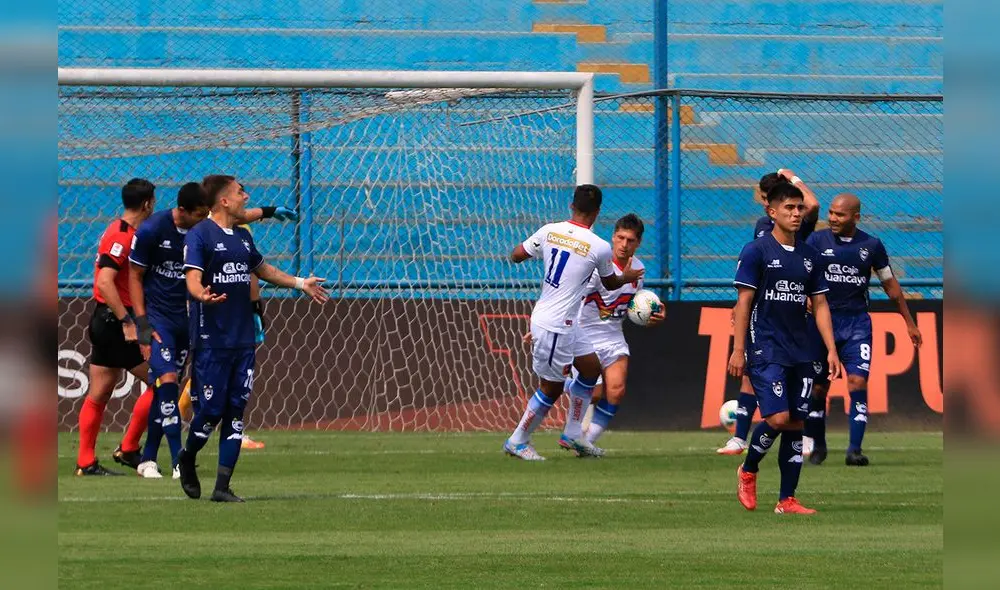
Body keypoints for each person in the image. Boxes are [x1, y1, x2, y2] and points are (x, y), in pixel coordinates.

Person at [177, 175, 327, 502]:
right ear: (224, 202)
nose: (246, 196)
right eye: (240, 192)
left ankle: (222, 487)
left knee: (236, 411)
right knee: (211, 410)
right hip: (211, 340)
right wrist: (199, 294)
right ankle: (187, 457)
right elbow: (192, 278)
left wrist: (302, 283)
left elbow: (264, 271)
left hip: (243, 338)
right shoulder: (200, 235)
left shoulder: (243, 239)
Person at [503, 185, 643, 461]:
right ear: (598, 212)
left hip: (562, 320)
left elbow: (517, 254)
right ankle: (518, 440)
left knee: (590, 369)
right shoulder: (599, 247)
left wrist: (528, 254)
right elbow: (611, 282)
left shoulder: (548, 230)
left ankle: (573, 433)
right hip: (556, 324)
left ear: (571, 206)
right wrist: (627, 278)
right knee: (551, 388)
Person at [729, 182, 842, 514]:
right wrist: (739, 350)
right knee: (778, 417)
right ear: (771, 211)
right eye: (789, 208)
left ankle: (786, 500)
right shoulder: (756, 251)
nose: (796, 213)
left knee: (795, 421)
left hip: (802, 349)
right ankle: (749, 469)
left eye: (799, 208)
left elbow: (820, 304)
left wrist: (831, 349)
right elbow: (743, 303)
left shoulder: (811, 256)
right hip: (766, 347)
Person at [803, 194, 923, 466]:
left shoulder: (871, 246)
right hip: (821, 324)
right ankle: (818, 445)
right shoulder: (815, 241)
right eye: (831, 213)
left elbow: (890, 285)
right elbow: (799, 273)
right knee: (818, 389)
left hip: (856, 323)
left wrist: (909, 322)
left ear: (856, 217)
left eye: (840, 215)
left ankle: (854, 450)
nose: (833, 218)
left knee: (857, 381)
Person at [718, 169, 821, 455]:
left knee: (789, 410)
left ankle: (789, 445)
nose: (794, 212)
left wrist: (794, 177)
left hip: (794, 324)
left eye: (793, 205)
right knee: (755, 376)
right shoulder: (762, 230)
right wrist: (740, 304)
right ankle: (740, 438)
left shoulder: (800, 229)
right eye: (767, 200)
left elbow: (812, 205)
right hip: (764, 322)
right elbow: (753, 279)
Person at [559, 214, 664, 453]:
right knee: (594, 395)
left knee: (616, 390)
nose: (624, 244)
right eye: (620, 238)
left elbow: (633, 307)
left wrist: (653, 316)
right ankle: (565, 383)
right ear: (613, 236)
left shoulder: (639, 269)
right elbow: (574, 297)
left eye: (630, 240)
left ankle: (586, 441)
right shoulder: (596, 267)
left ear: (638, 243)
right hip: (585, 336)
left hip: (613, 336)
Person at [74, 178, 158, 476]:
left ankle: (86, 462)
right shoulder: (122, 235)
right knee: (163, 380)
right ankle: (129, 447)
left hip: (104, 319)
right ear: (148, 203)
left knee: (100, 391)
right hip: (118, 323)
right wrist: (127, 321)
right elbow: (105, 281)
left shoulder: (124, 231)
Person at [128, 182, 212, 479]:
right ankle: (178, 460)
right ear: (184, 211)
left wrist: (266, 212)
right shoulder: (152, 230)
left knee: (164, 391)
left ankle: (148, 458)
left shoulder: (200, 231)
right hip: (158, 319)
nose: (204, 218)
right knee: (167, 382)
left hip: (185, 320)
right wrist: (142, 324)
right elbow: (135, 277)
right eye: (200, 213)